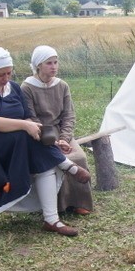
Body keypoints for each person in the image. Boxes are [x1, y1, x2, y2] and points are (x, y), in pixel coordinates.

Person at [0, 47, 90, 237]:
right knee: (24, 134)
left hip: (15, 140)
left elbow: (27, 117)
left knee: (43, 162)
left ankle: (51, 219)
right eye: (1, 74)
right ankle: (67, 165)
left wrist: (47, 137)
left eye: (9, 72)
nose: (6, 77)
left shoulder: (13, 87)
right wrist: (25, 125)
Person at [21, 45, 94, 216]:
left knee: (78, 156)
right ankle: (59, 205)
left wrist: (64, 138)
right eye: (49, 63)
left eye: (55, 62)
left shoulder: (62, 86)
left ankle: (78, 202)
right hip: (39, 135)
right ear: (38, 65)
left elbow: (69, 115)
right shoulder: (27, 87)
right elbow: (30, 118)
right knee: (56, 161)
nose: (54, 66)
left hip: (61, 132)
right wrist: (51, 140)